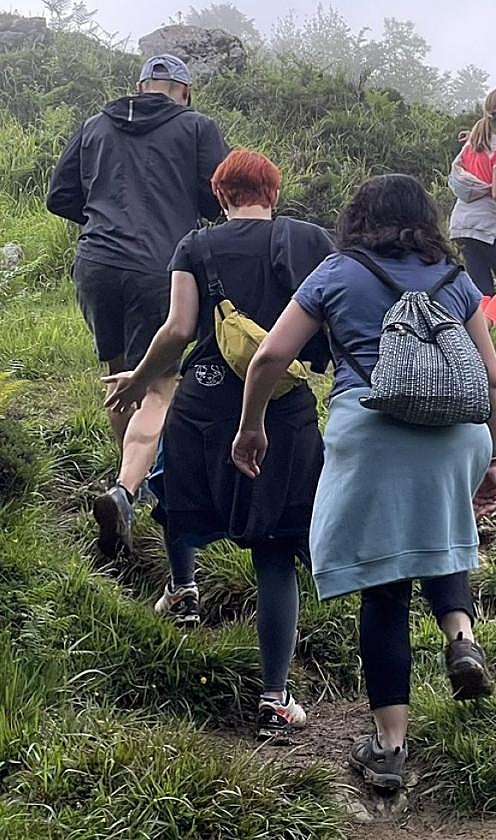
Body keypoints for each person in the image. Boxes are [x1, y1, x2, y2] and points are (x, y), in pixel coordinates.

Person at [233, 174, 496, 789]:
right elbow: (493, 381)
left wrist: (252, 425)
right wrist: (490, 459)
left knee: (385, 588)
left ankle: (388, 750)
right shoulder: (456, 280)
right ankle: (461, 636)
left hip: (373, 428)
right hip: (457, 433)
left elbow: (271, 356)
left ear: (359, 217)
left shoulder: (336, 272)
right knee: (437, 537)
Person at [102, 149, 331, 739]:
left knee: (177, 497)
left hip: (204, 399)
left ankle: (183, 591)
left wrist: (139, 378)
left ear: (221, 196)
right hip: (283, 404)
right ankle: (275, 700)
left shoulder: (195, 247)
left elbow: (179, 329)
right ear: (272, 194)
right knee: (275, 549)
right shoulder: (310, 240)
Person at [46, 54, 229, 558]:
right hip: (163, 267)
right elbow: (221, 198)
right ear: (184, 92)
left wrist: (102, 213)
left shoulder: (95, 124)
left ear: (141, 86)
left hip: (98, 263)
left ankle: (131, 479)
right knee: (161, 384)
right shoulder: (196, 127)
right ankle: (128, 489)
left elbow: (59, 196)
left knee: (120, 373)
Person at [449, 88, 496, 301]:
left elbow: (479, 182)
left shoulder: (471, 144)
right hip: (485, 226)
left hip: (461, 225)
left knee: (482, 292)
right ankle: (490, 325)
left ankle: (480, 331)